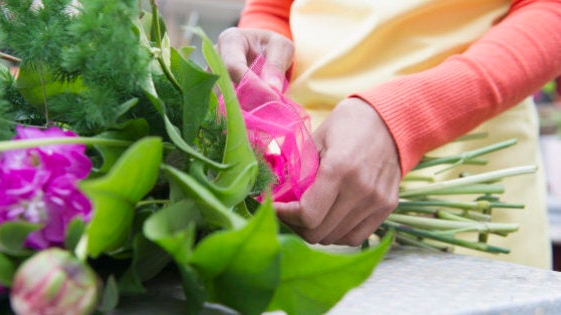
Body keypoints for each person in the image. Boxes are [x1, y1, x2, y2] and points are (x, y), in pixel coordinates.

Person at [216, 0, 561, 269]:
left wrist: (407, 116)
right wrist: (264, 61)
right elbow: (274, 9)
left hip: (458, 185)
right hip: (304, 184)